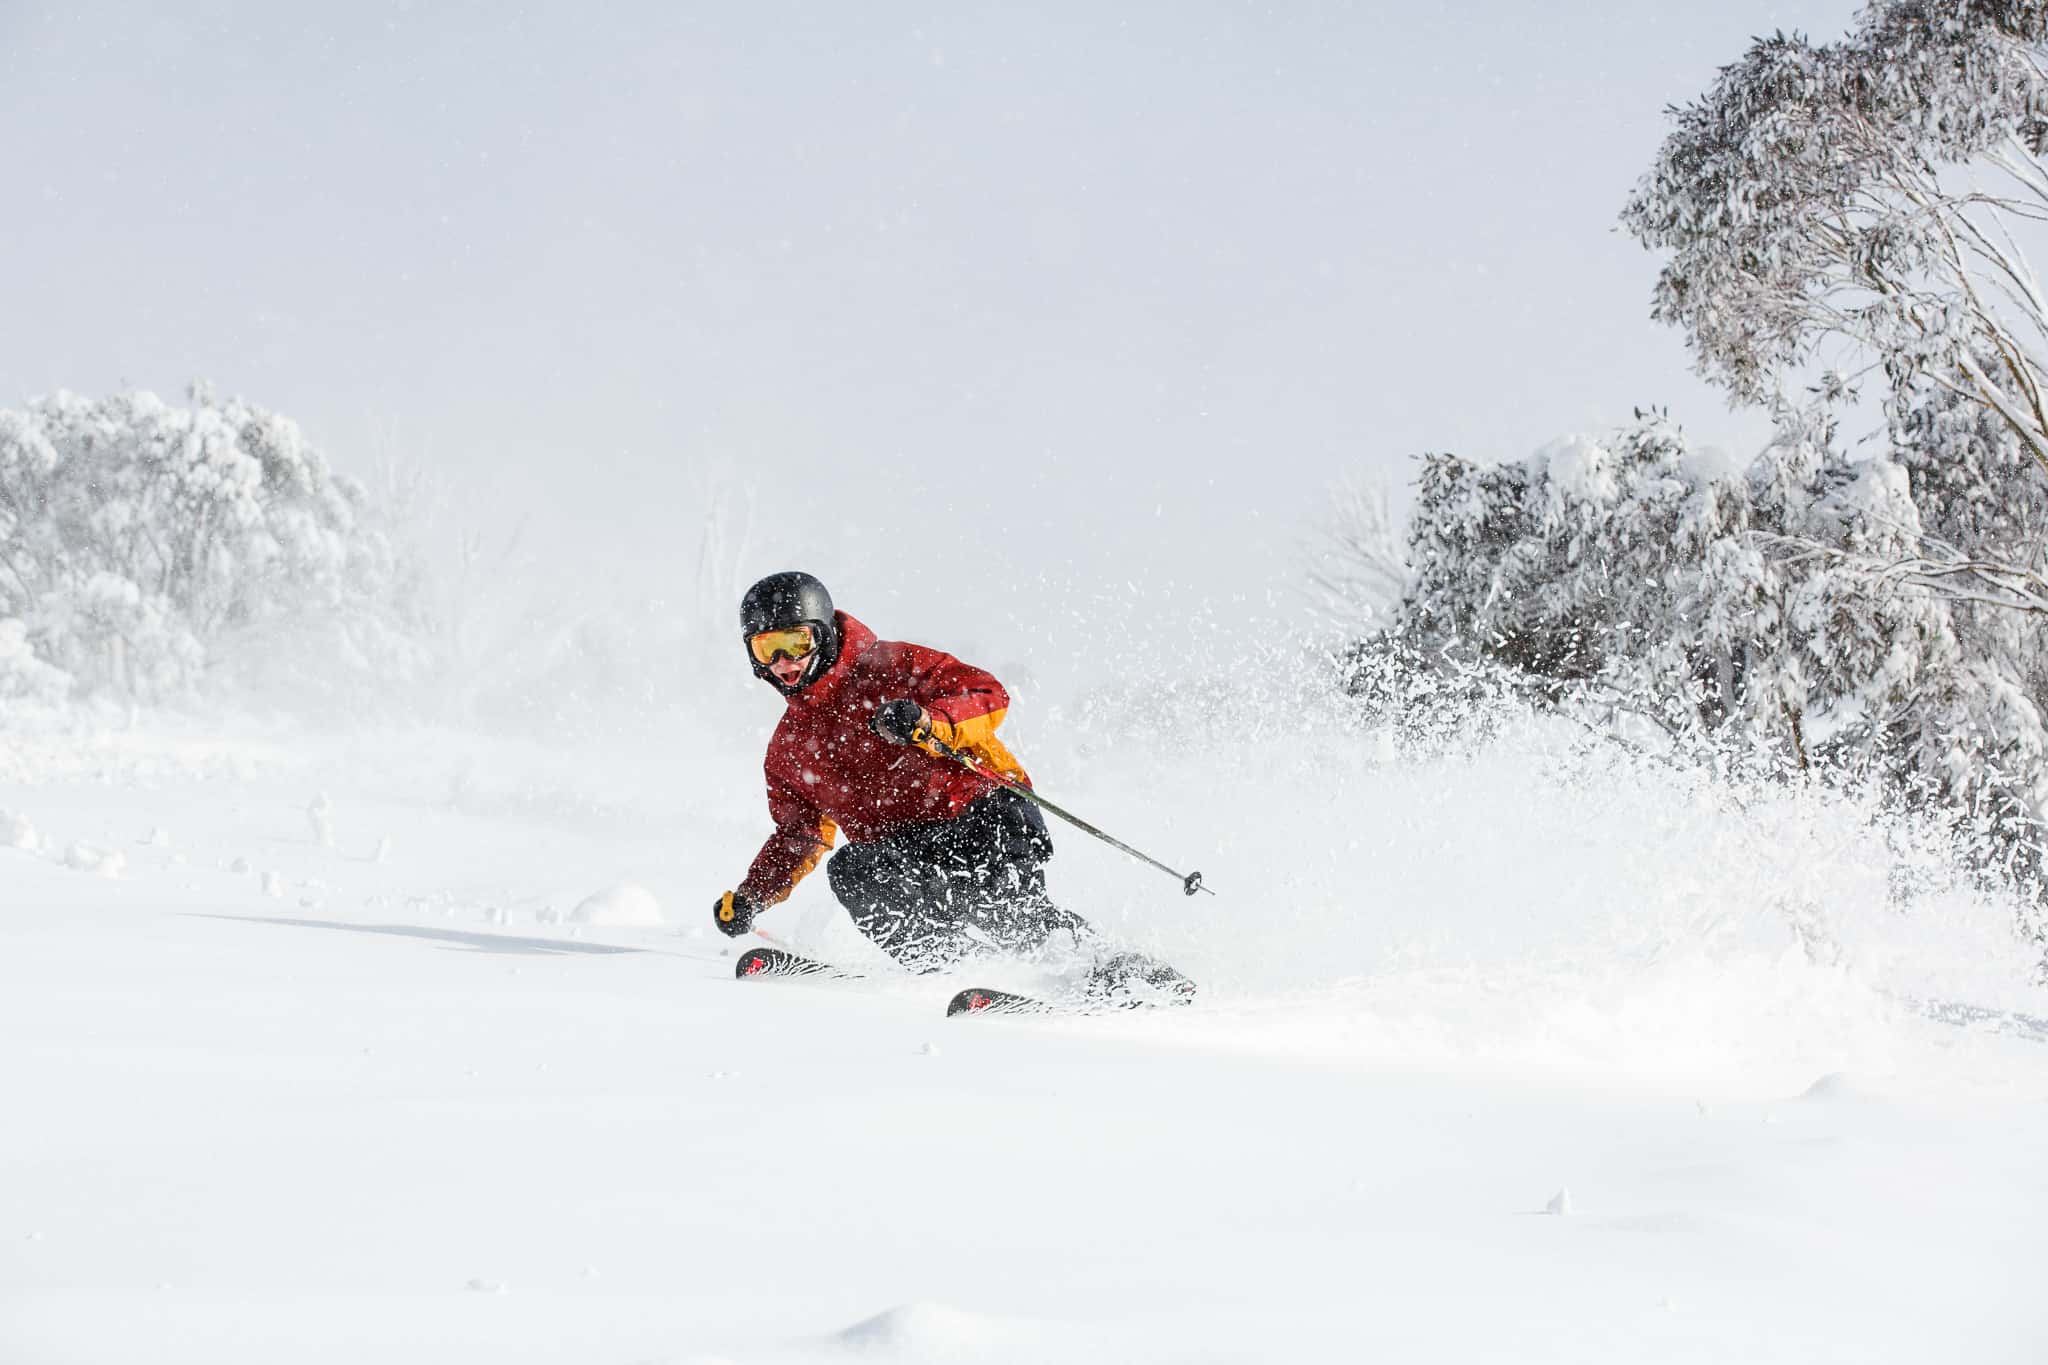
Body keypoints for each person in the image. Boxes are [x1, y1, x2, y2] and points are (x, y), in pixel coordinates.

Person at [712, 570, 1188, 1000]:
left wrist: (928, 720)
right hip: (903, 849)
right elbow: (799, 834)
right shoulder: (790, 749)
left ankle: (1118, 972)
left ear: (824, 633)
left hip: (980, 811)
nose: (783, 662)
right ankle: (953, 969)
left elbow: (987, 694)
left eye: (795, 642)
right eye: (765, 649)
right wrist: (754, 894)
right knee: (853, 871)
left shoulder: (891, 666)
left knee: (1002, 909)